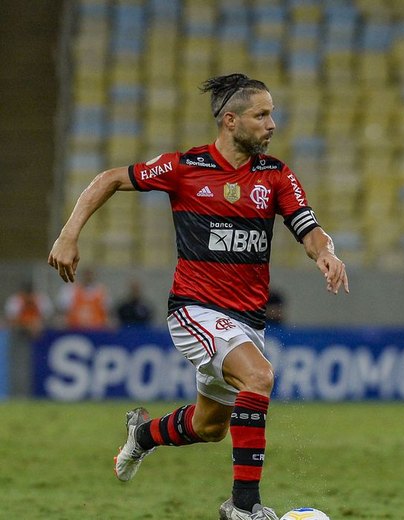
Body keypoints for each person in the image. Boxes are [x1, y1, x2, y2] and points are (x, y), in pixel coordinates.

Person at [48, 73, 349, 520]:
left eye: (272, 114)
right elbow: (109, 179)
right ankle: (244, 508)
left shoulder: (276, 175)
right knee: (260, 378)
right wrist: (68, 236)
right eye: (261, 115)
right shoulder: (185, 167)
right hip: (195, 310)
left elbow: (307, 227)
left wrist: (326, 252)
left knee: (209, 427)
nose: (272, 124)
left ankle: (143, 435)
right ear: (230, 120)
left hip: (247, 320)